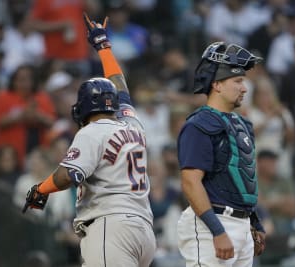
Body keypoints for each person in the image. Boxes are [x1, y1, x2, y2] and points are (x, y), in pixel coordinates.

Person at [22, 14, 156, 267]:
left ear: (84, 107)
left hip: (111, 226)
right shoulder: (133, 124)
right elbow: (121, 87)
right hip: (143, 231)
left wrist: (41, 188)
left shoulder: (92, 131)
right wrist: (103, 47)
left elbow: (67, 176)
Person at [176, 41, 266, 267]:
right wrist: (217, 230)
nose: (244, 88)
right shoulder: (199, 124)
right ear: (216, 84)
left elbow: (243, 178)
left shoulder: (242, 124)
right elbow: (190, 181)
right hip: (212, 222)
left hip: (241, 224)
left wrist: (254, 221)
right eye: (237, 81)